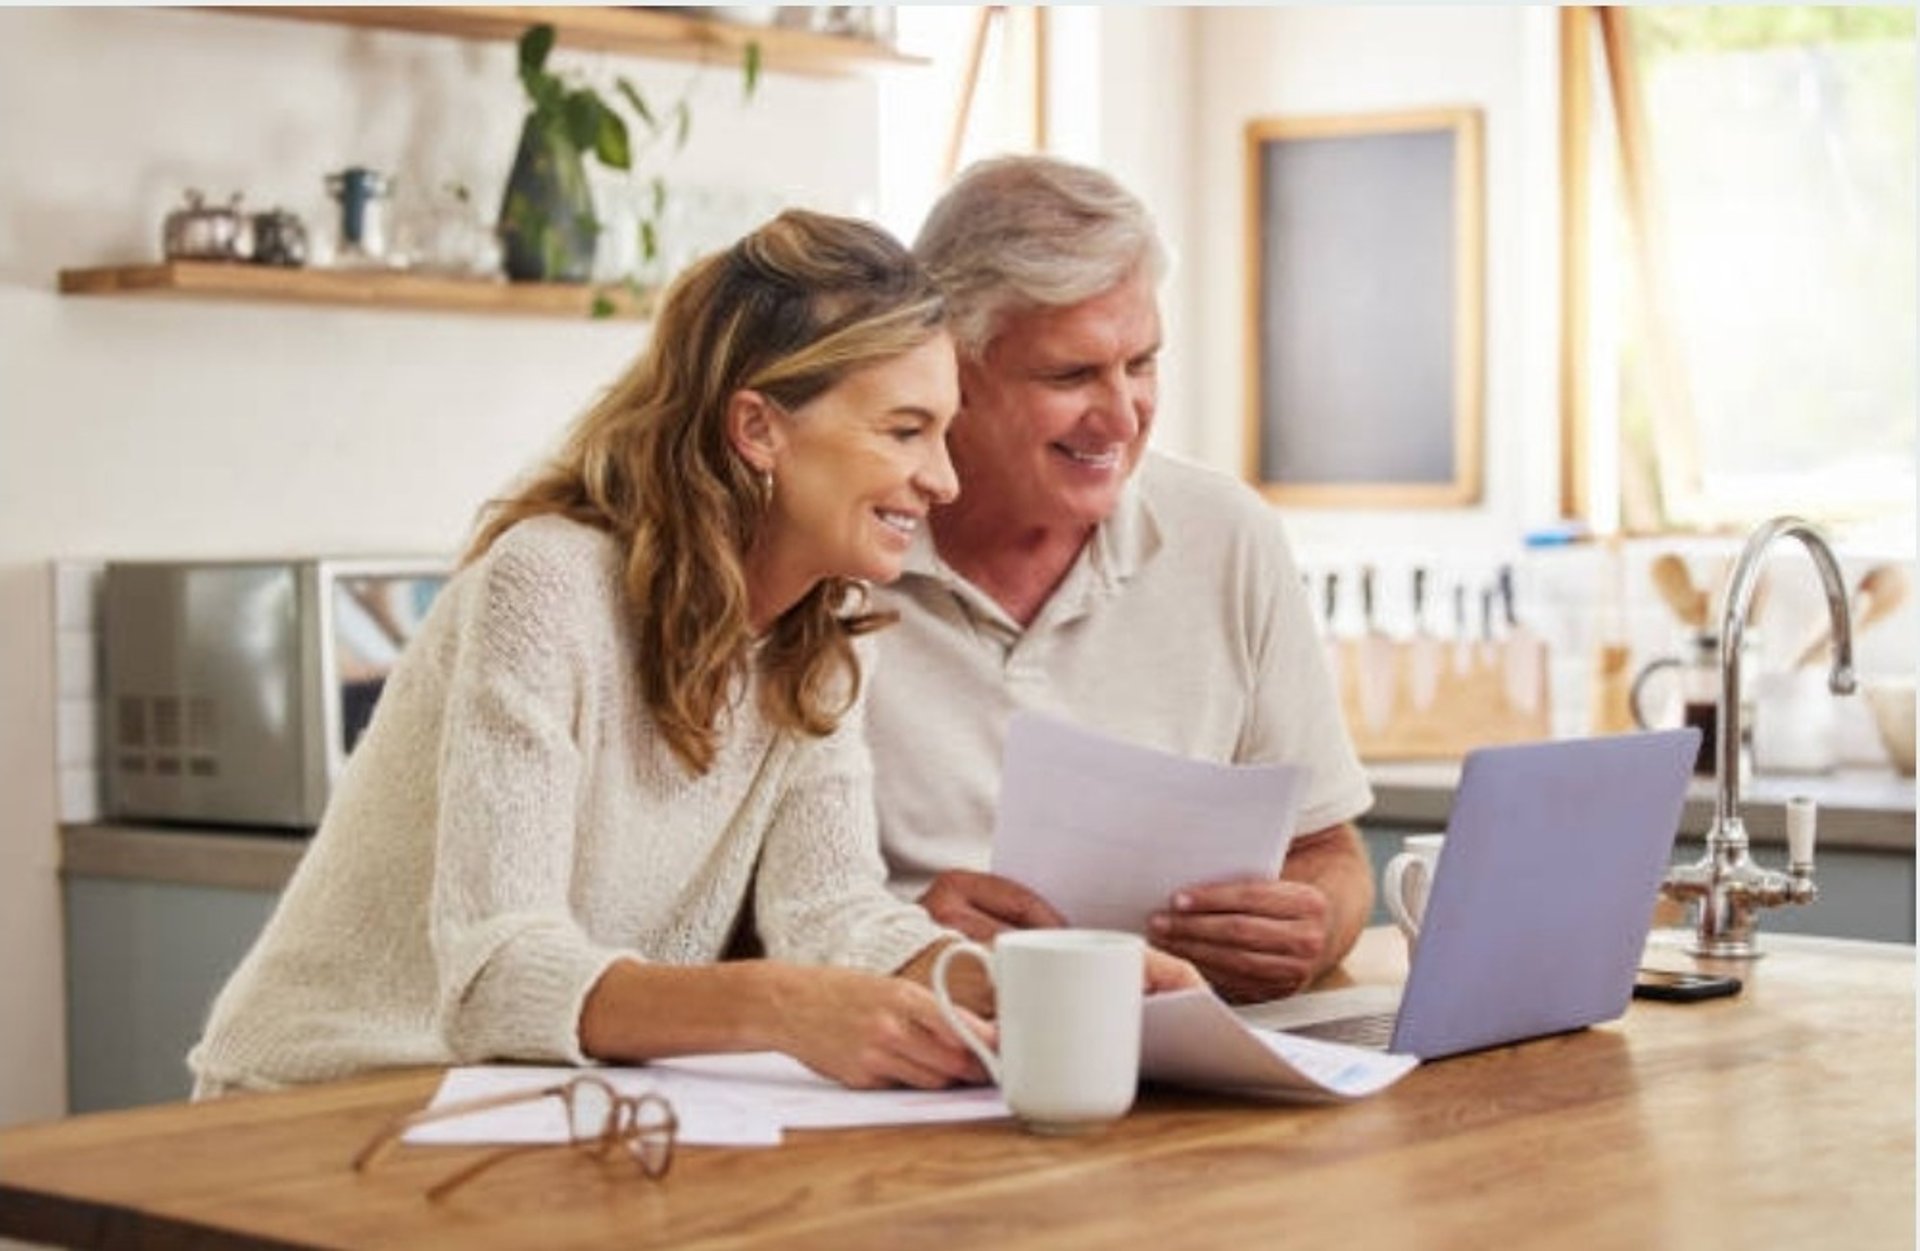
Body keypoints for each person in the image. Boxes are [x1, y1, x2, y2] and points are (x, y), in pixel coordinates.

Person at [190, 210, 1002, 1098]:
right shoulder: (549, 585)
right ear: (758, 428)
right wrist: (779, 1004)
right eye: (904, 430)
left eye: (944, 433)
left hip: (524, 1109)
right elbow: (497, 975)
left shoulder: (823, 633)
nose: (945, 479)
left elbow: (830, 909)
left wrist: (1028, 985)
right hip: (322, 1099)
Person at [867, 156, 1377, 1004]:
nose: (1122, 414)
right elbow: (717, 919)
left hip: (1184, 1068)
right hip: (921, 1062)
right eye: (1071, 376)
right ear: (950, 369)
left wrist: (1312, 923)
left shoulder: (1227, 535)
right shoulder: (841, 551)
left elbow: (1331, 855)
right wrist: (891, 938)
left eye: (1141, 363)